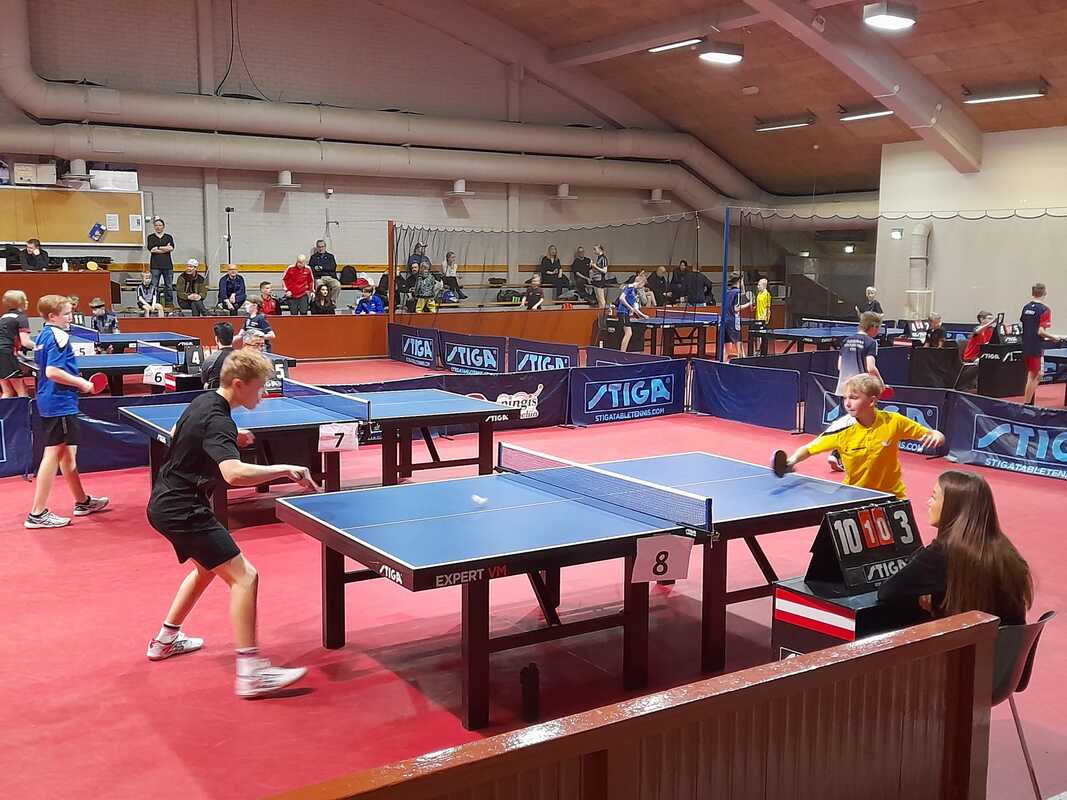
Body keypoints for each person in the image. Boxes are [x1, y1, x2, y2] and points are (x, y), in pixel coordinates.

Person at [145, 348, 312, 697]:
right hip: (182, 507)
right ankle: (251, 673)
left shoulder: (205, 402)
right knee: (245, 577)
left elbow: (179, 431)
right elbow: (233, 474)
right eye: (259, 387)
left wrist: (227, 439)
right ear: (238, 384)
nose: (262, 395)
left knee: (206, 569)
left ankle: (165, 640)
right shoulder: (219, 419)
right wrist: (284, 468)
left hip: (165, 501)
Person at [878, 471, 1032, 626]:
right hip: (1008, 641)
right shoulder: (1006, 549)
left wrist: (933, 601)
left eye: (934, 497)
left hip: (969, 640)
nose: (928, 502)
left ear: (951, 506)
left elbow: (887, 592)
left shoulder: (941, 553)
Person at [781, 373, 944, 499]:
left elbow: (933, 434)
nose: (847, 403)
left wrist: (938, 435)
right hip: (855, 496)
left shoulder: (894, 421)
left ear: (872, 401)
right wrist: (791, 461)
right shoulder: (841, 429)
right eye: (845, 398)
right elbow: (808, 449)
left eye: (854, 398)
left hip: (892, 497)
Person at [25, 294, 110, 529]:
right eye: (66, 314)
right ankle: (37, 513)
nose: (71, 317)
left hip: (50, 399)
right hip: (59, 402)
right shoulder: (59, 336)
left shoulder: (42, 334)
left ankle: (82, 502)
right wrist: (82, 383)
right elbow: (52, 371)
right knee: (53, 453)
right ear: (52, 316)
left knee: (67, 454)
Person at [827, 312, 889, 471]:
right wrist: (881, 383)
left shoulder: (846, 340)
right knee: (869, 423)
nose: (879, 331)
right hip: (861, 390)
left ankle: (837, 454)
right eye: (878, 327)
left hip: (844, 388)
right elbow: (870, 367)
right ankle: (847, 455)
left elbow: (839, 366)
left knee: (846, 423)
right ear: (872, 326)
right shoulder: (871, 342)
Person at [1021, 282, 1058, 405]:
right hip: (1035, 346)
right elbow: (1040, 332)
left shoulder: (1026, 308)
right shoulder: (1044, 310)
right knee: (1034, 376)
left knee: (1037, 374)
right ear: (1045, 293)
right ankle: (1026, 405)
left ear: (1033, 293)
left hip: (1026, 345)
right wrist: (1054, 337)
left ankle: (1028, 403)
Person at [0, 289, 32, 398]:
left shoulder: (3, 317)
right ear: (20, 303)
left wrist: (20, 354)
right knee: (22, 392)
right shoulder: (21, 318)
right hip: (7, 355)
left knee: (7, 392)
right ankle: (23, 409)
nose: (27, 302)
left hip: (3, 354)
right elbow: (26, 342)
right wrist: (41, 346)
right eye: (25, 300)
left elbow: (6, 338)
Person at [616, 273, 650, 352]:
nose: (643, 287)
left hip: (626, 313)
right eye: (643, 285)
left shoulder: (634, 292)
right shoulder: (629, 287)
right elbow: (621, 298)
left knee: (628, 333)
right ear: (640, 283)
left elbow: (635, 308)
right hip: (622, 312)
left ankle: (623, 352)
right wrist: (630, 308)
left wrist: (643, 315)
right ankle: (622, 353)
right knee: (628, 333)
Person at [721, 276, 751, 362]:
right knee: (739, 345)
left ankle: (722, 365)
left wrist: (742, 286)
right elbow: (736, 308)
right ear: (739, 281)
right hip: (733, 321)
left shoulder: (727, 292)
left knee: (727, 348)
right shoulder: (737, 292)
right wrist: (749, 304)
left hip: (724, 321)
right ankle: (741, 364)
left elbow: (742, 293)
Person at [146, 219, 175, 306]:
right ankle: (155, 303)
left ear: (163, 226)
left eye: (160, 225)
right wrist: (165, 248)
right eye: (156, 225)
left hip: (168, 265)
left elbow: (171, 248)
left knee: (169, 286)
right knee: (154, 286)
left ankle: (169, 303)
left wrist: (158, 248)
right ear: (154, 227)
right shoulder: (150, 237)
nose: (158, 227)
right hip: (155, 266)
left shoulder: (168, 237)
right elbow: (152, 250)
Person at [200, 321, 236, 390]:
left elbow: (204, 380)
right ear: (232, 338)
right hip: (239, 395)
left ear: (216, 339)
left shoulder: (210, 359)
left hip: (215, 395)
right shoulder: (243, 358)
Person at [309, 240, 341, 304]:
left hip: (330, 277)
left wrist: (321, 268)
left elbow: (332, 267)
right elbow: (311, 268)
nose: (321, 248)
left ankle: (331, 301)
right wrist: (317, 269)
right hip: (319, 277)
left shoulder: (330, 256)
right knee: (318, 284)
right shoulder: (313, 257)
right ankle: (320, 301)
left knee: (337, 285)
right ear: (317, 247)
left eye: (322, 247)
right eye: (319, 247)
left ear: (325, 247)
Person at [752, 277, 772, 356]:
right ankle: (758, 350)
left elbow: (767, 307)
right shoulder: (759, 294)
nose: (758, 286)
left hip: (763, 319)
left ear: (764, 286)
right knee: (757, 335)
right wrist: (754, 307)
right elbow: (758, 305)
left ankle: (759, 351)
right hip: (757, 317)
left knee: (761, 335)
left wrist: (764, 318)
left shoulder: (767, 295)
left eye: (759, 285)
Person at [591, 244, 609, 308]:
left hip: (600, 280)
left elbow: (604, 271)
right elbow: (598, 269)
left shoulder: (603, 258)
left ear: (600, 249)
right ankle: (600, 311)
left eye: (595, 249)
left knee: (601, 299)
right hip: (596, 279)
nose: (594, 251)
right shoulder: (598, 258)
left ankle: (603, 312)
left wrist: (595, 266)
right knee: (598, 299)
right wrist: (593, 267)